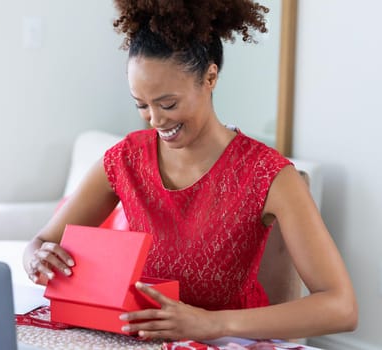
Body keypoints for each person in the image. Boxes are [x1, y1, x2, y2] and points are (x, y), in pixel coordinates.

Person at [23, 0, 357, 341]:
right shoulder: (126, 159)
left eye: (168, 104)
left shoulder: (268, 175)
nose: (155, 119)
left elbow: (341, 307)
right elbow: (42, 242)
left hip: (228, 341)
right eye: (141, 105)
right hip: (146, 340)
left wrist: (213, 323)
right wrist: (37, 258)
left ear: (210, 77)